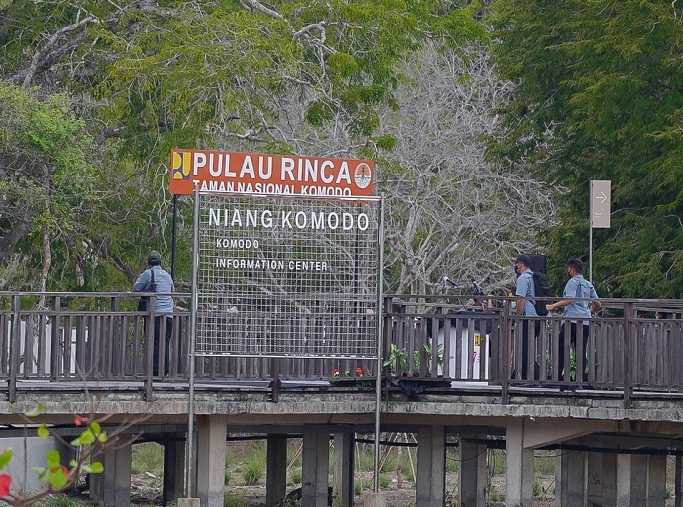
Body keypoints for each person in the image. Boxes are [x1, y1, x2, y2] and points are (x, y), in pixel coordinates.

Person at [545, 258, 600, 382]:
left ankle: (558, 377)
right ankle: (580, 379)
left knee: (562, 347)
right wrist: (590, 311)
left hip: (571, 320)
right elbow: (598, 303)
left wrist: (553, 306)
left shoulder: (572, 282)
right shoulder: (588, 283)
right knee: (581, 349)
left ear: (572, 269)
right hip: (585, 321)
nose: (567, 271)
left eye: (568, 268)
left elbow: (569, 299)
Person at [133, 251, 175, 376]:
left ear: (148, 263)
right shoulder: (167, 275)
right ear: (160, 262)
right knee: (165, 342)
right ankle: (165, 370)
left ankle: (154, 371)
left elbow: (136, 288)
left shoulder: (148, 273)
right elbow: (172, 289)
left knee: (153, 341)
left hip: (154, 314)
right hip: (168, 315)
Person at [513, 255, 537, 378]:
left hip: (526, 315)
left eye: (516, 264)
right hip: (535, 314)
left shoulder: (523, 278)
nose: (515, 266)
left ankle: (523, 375)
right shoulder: (532, 277)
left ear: (521, 264)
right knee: (529, 345)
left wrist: (517, 316)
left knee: (524, 346)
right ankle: (531, 374)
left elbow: (520, 300)